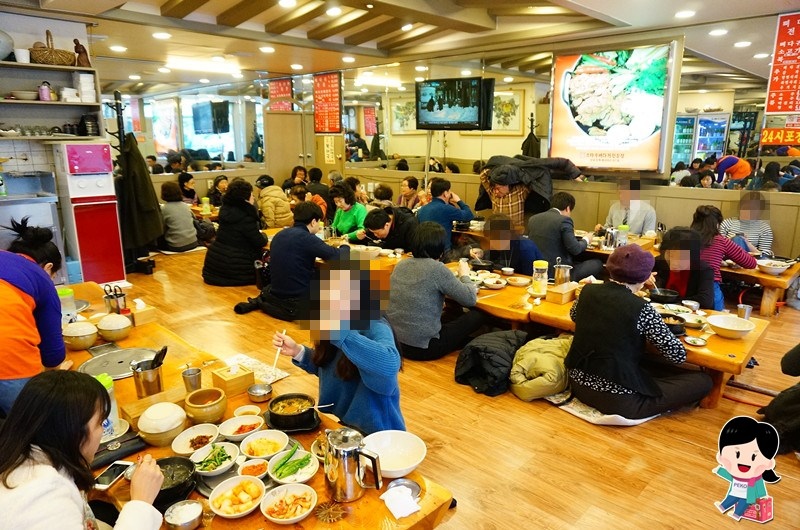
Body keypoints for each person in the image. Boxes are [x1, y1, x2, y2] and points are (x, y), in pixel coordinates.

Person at [0, 371, 164, 529]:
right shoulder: (43, 499)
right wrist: (141, 501)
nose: (102, 431)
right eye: (100, 423)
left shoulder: (19, 453)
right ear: (74, 434)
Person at [564, 244, 713, 419]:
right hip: (618, 400)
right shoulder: (641, 308)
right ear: (643, 278)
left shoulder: (587, 292)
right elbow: (677, 355)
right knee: (704, 381)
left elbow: (575, 316)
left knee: (645, 365)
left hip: (578, 384)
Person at [271, 261, 405, 435]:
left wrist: (339, 333)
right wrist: (299, 352)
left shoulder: (376, 326)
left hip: (379, 432)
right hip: (347, 424)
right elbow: (331, 368)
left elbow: (389, 364)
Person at [0, 218, 69, 415]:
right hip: (6, 361)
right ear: (48, 268)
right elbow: (53, 356)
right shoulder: (41, 279)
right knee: (36, 422)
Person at [387, 222, 483, 361]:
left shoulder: (401, 264)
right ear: (440, 247)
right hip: (423, 349)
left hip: (395, 341)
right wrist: (465, 275)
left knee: (451, 319)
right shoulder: (437, 268)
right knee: (477, 316)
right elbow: (470, 299)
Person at [262, 202, 342, 321]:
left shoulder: (280, 235)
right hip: (298, 299)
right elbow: (337, 256)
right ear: (314, 221)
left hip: (276, 293)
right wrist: (345, 246)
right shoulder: (307, 238)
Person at [690, 205, 757, 310]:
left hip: (685, 284)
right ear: (717, 224)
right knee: (716, 318)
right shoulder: (721, 241)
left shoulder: (684, 237)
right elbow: (750, 263)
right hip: (709, 288)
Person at [202, 178, 267, 286]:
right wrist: (264, 236)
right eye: (251, 195)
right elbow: (259, 241)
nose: (253, 197)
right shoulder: (246, 215)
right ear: (244, 198)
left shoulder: (225, 210)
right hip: (238, 268)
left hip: (215, 265)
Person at [526, 191, 603, 281]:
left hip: (536, 270)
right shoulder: (564, 220)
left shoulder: (533, 219)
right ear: (568, 208)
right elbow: (575, 249)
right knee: (597, 263)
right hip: (558, 273)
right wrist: (587, 239)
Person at [651, 227, 715, 309]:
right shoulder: (658, 262)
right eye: (671, 255)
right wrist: (643, 280)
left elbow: (705, 301)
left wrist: (670, 301)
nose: (674, 261)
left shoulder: (704, 270)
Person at [417, 177, 474, 251]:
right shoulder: (447, 209)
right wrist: (459, 201)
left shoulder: (422, 209)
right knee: (473, 246)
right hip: (443, 253)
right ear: (445, 193)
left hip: (424, 251)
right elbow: (469, 215)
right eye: (449, 191)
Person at [719, 191, 773, 255]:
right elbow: (717, 246)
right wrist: (731, 239)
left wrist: (747, 243)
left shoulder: (764, 228)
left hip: (751, 260)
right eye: (745, 208)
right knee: (737, 239)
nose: (748, 211)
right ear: (740, 207)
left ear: (760, 211)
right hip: (726, 259)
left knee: (740, 240)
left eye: (753, 209)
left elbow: (764, 256)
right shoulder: (727, 223)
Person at [158, 181, 200, 252]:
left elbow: (161, 228)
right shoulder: (185, 206)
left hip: (176, 246)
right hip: (194, 242)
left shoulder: (164, 209)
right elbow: (194, 218)